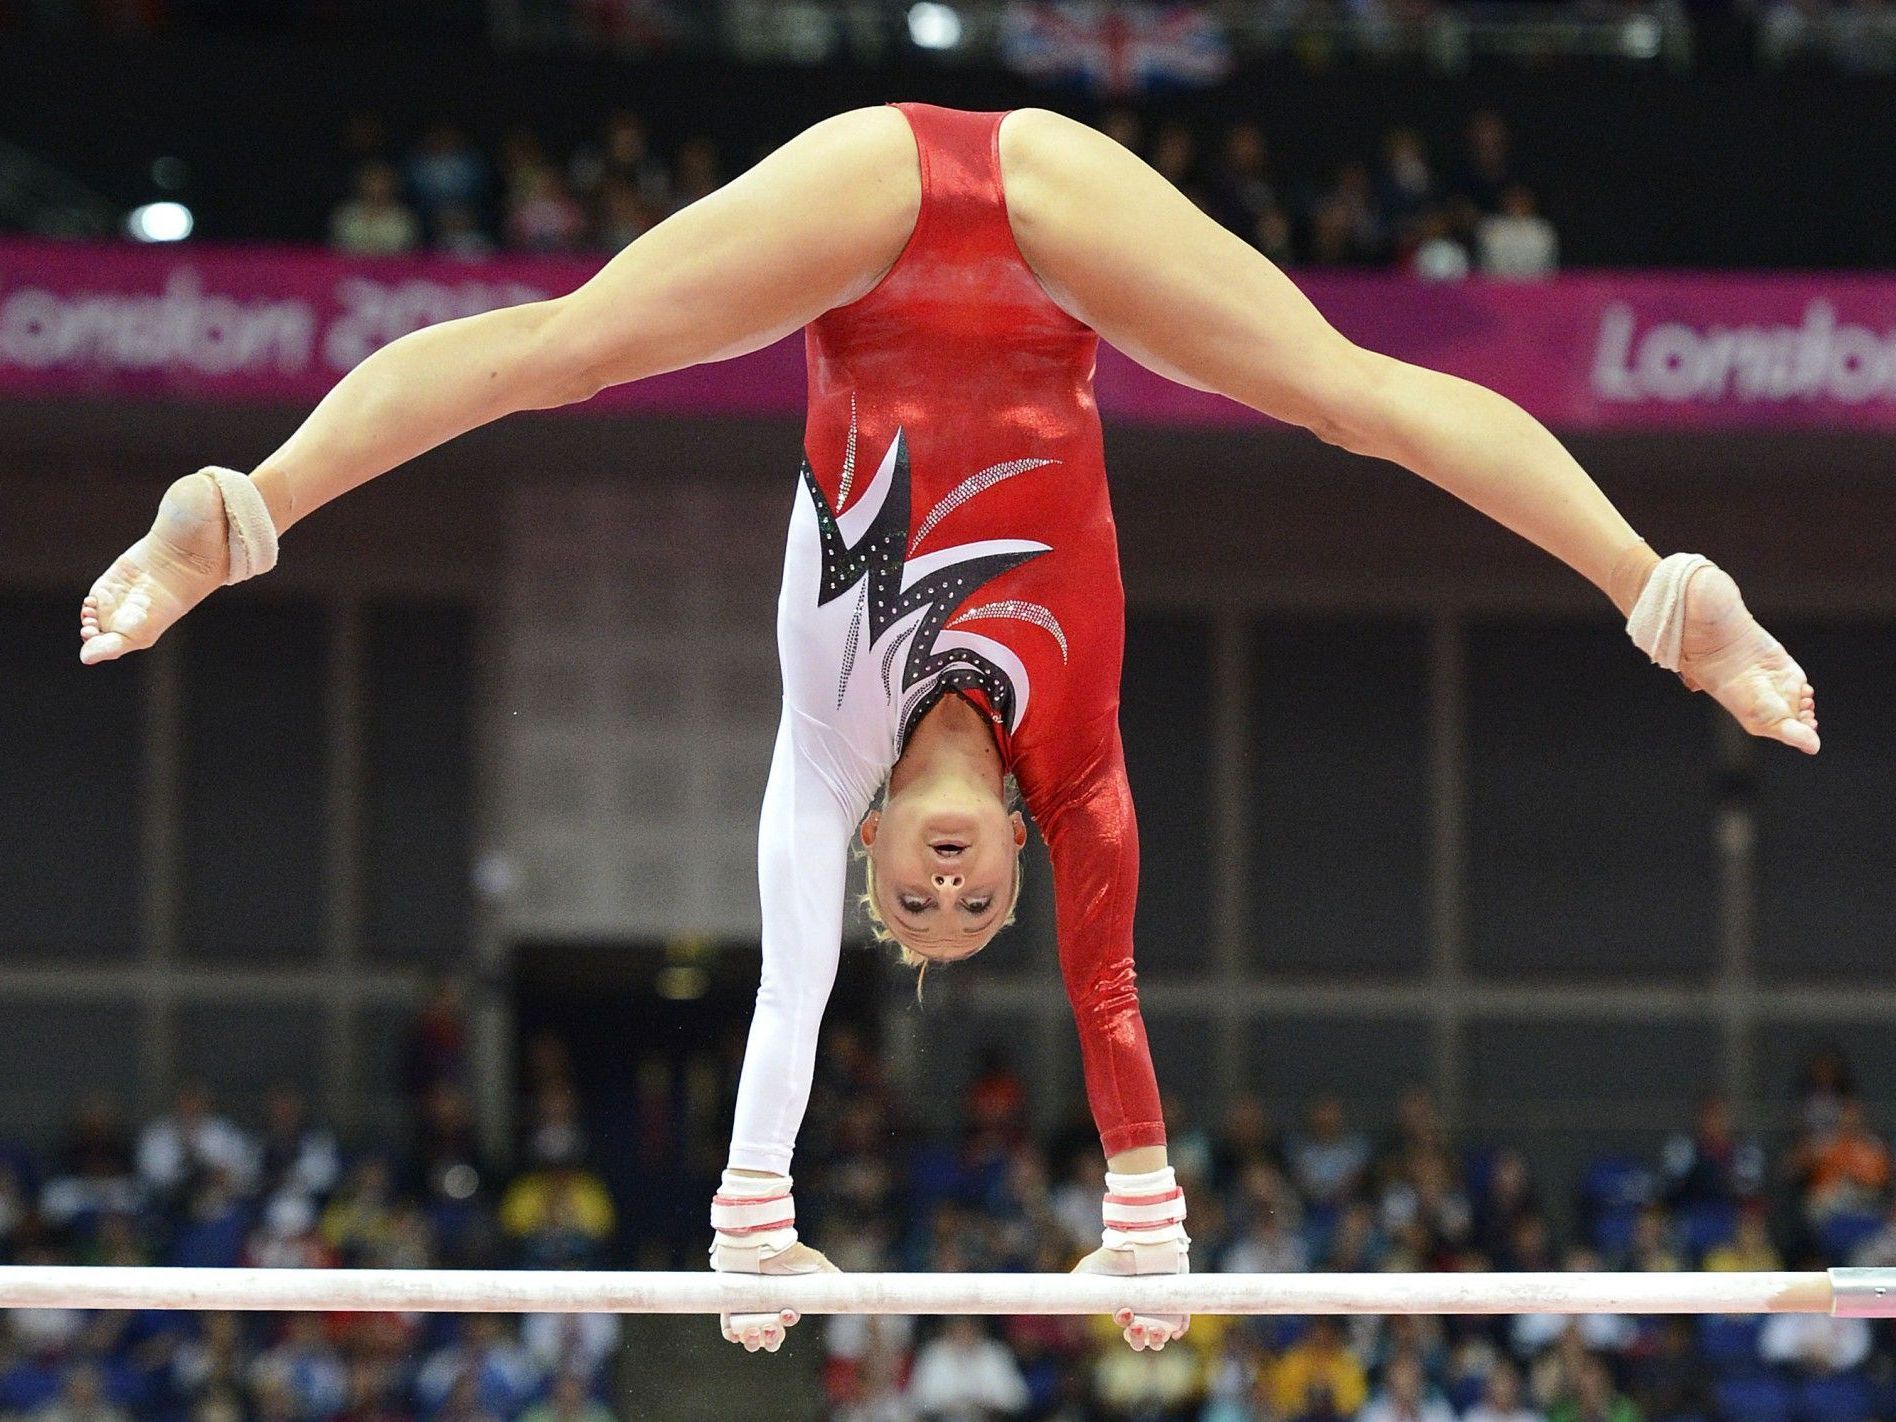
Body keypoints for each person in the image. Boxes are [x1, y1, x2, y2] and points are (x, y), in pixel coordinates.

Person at [79, 101, 1819, 1353]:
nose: (948, 899)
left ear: (877, 855)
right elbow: (1113, 990)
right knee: (1346, 402)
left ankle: (239, 511)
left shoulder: (824, 751)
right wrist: (1145, 1231)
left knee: (571, 347)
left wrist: (754, 1220)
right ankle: (1667, 598)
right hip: (1053, 219)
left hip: (871, 214)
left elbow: (782, 988)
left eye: (915, 907)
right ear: (1005, 870)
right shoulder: (1077, 777)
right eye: (973, 909)